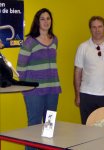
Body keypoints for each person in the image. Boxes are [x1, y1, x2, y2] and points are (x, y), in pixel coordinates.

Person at [17, 8, 61, 150]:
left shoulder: (54, 40)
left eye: (48, 18)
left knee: (49, 127)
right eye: (42, 18)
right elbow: (20, 67)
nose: (46, 21)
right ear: (37, 21)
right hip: (34, 91)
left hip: (52, 89)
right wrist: (24, 88)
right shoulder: (29, 42)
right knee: (34, 127)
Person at [74, 16, 104, 124]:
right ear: (90, 29)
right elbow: (77, 72)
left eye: (100, 26)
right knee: (87, 129)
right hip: (86, 95)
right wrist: (77, 95)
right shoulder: (83, 47)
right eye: (94, 27)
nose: (97, 30)